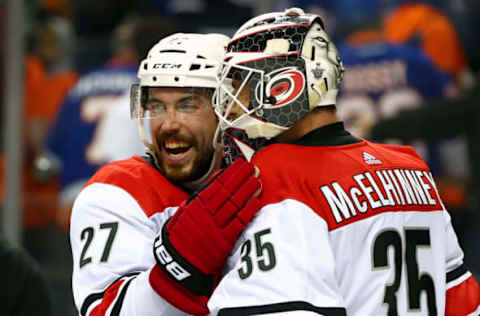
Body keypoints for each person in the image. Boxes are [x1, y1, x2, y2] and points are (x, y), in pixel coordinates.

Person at [209, 8, 480, 315]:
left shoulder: (275, 173)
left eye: (242, 86)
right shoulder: (412, 167)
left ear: (284, 87)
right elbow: (463, 302)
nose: (232, 105)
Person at [70, 33, 262, 316]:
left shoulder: (264, 180)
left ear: (228, 109)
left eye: (187, 105)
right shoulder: (116, 192)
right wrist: (182, 268)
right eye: (157, 106)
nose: (169, 124)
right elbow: (108, 312)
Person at [38, 17, 178, 230]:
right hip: (126, 200)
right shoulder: (148, 88)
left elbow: (50, 156)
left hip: (74, 202)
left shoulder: (79, 85)